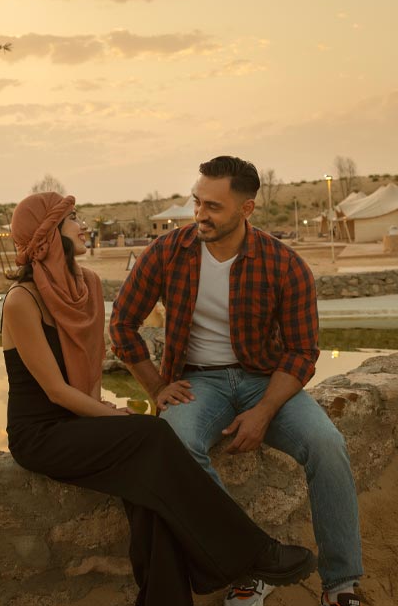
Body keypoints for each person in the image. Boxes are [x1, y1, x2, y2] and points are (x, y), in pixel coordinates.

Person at [3, 191, 316, 606]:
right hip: (41, 433)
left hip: (80, 421)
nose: (83, 225)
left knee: (148, 487)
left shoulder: (88, 285)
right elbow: (56, 391)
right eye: (72, 219)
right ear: (46, 235)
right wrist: (112, 416)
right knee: (151, 437)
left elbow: (90, 370)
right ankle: (251, 552)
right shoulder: (22, 301)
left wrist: (105, 419)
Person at [110, 156, 364, 606]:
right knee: (176, 446)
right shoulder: (169, 252)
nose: (200, 214)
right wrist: (154, 387)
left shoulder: (283, 264)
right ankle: (252, 564)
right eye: (197, 202)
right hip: (196, 383)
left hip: (265, 382)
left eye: (213, 206)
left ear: (246, 210)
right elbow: (123, 324)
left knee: (327, 445)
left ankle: (340, 584)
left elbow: (303, 351)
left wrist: (264, 411)